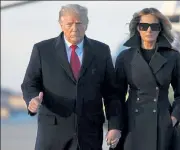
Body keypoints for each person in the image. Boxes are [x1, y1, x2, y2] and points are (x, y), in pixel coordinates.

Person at [21, 4, 122, 150]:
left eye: (79, 23)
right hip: (53, 134)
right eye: (69, 24)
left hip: (89, 135)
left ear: (86, 24)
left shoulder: (101, 51)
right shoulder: (42, 50)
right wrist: (32, 99)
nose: (74, 28)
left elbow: (112, 93)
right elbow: (29, 83)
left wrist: (114, 126)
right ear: (61, 24)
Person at [113, 8, 180, 150]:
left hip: (162, 123)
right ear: (138, 28)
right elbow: (116, 96)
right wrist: (115, 126)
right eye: (144, 26)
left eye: (154, 26)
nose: (149, 30)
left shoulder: (173, 57)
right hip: (133, 123)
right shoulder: (125, 57)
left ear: (160, 29)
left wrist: (173, 118)